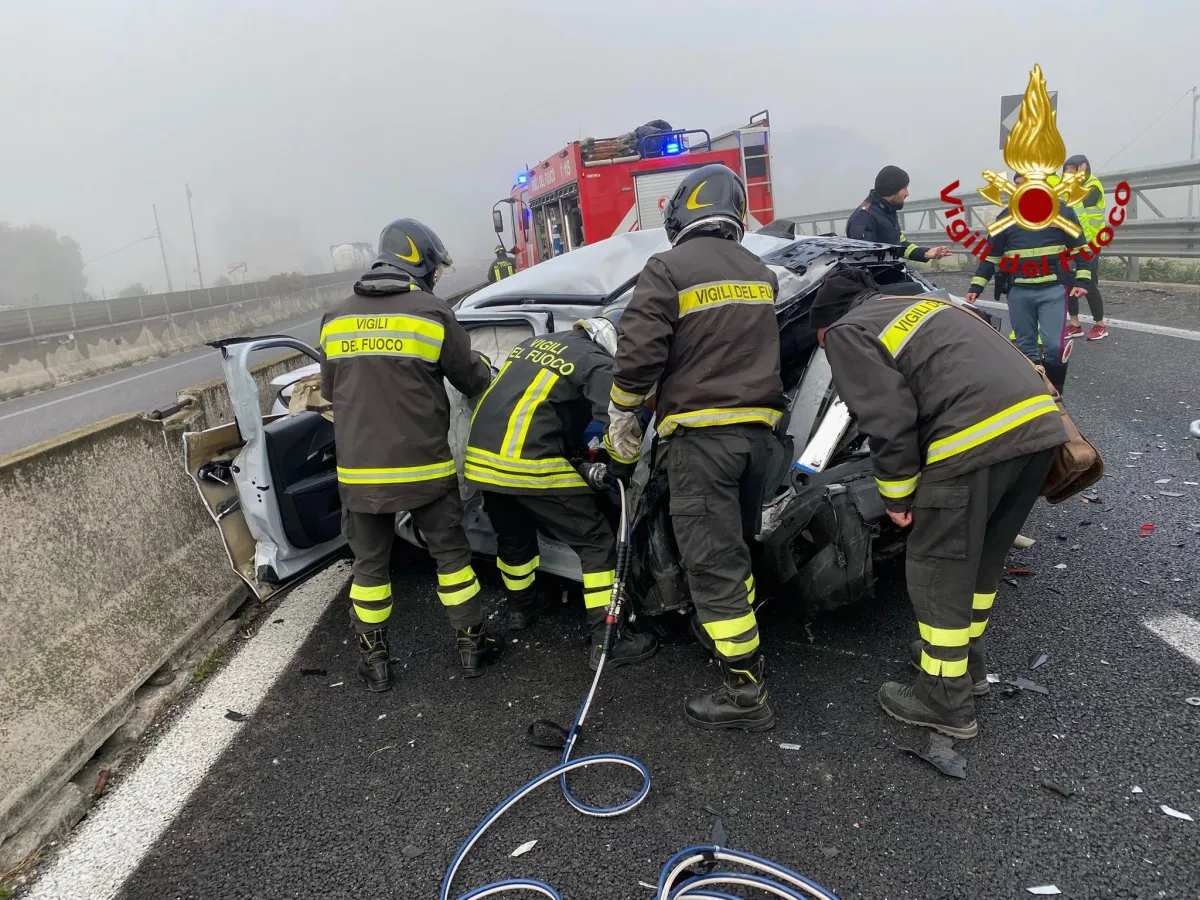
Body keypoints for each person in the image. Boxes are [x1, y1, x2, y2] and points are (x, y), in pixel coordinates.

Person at [811, 268, 1068, 739]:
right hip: (1041, 431)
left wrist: (896, 494)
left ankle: (944, 699)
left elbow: (888, 419)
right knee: (982, 561)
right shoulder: (925, 306)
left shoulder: (847, 332)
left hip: (971, 442)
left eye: (820, 343)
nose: (826, 351)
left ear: (826, 325)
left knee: (937, 568)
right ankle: (964, 665)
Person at [607, 162, 786, 732]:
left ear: (681, 212)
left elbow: (638, 353)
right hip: (759, 439)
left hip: (702, 439)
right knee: (732, 547)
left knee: (711, 560)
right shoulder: (761, 271)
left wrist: (622, 415)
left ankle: (744, 690)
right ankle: (730, 629)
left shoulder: (668, 267)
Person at [319, 218, 498, 692]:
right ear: (418, 259)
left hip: (360, 474)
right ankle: (472, 647)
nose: (436, 277)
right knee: (452, 558)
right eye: (435, 268)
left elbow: (330, 391)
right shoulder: (432, 312)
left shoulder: (334, 319)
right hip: (426, 468)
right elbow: (473, 379)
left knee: (370, 568)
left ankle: (374, 661)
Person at [464, 316, 657, 670]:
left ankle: (523, 609)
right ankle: (608, 641)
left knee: (514, 539)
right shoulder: (597, 362)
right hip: (531, 465)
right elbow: (618, 420)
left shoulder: (531, 345)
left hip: (482, 462)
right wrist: (619, 470)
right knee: (597, 544)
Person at [964, 195, 1090, 394]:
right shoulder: (1006, 217)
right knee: (1026, 346)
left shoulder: (1062, 212)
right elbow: (991, 256)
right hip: (1019, 292)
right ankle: (1037, 394)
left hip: (1053, 289)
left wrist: (1083, 280)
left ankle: (1056, 394)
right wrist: (975, 287)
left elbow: (1081, 249)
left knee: (1054, 346)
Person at [847, 165, 953, 263]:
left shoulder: (886, 211)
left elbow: (899, 245)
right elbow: (863, 260)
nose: (907, 193)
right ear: (892, 190)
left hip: (889, 273)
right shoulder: (863, 218)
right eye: (904, 188)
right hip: (876, 280)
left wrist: (926, 253)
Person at [1056, 155, 1108, 341]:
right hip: (1072, 243)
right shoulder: (1071, 187)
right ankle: (1075, 324)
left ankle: (1100, 324)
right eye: (1066, 170)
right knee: (1069, 283)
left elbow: (1073, 201)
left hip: (1091, 243)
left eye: (1071, 169)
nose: (1068, 173)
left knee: (1089, 283)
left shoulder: (1093, 186)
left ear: (1082, 167)